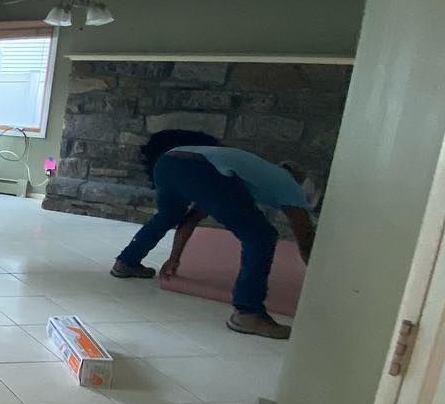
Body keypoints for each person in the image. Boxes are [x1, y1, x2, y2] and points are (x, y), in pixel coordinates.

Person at [110, 129, 315, 339]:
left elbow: (192, 218)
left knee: (168, 215)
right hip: (201, 168)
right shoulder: (289, 185)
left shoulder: (251, 174)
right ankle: (248, 313)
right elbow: (306, 239)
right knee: (261, 235)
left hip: (169, 161)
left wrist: (174, 258)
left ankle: (127, 262)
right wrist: (318, 279)